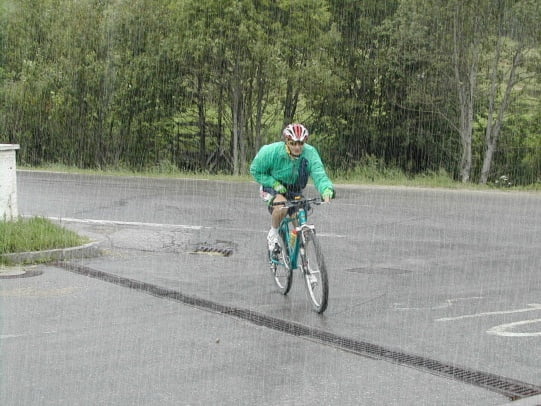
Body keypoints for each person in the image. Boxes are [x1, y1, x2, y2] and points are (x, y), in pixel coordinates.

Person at [250, 123, 335, 256]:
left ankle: (297, 253)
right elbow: (255, 170)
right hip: (272, 186)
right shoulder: (271, 151)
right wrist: (274, 184)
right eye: (293, 143)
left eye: (300, 143)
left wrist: (326, 190)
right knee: (282, 206)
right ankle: (273, 235)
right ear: (287, 141)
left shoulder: (310, 152)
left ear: (305, 142)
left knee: (300, 219)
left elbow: (319, 173)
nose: (297, 147)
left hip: (294, 189)